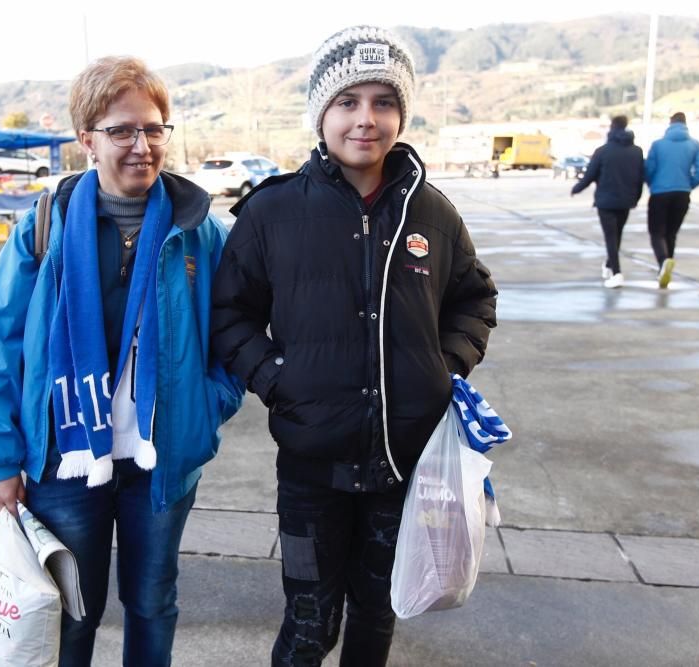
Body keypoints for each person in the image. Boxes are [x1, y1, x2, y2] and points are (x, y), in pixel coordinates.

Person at [211, 26, 497, 666]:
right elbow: (230, 314)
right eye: (348, 102)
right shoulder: (271, 213)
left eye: (383, 102)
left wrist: (440, 366)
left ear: (401, 114)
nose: (366, 119)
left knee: (377, 616)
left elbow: (475, 299)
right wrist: (277, 380)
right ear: (322, 113)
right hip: (312, 468)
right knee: (310, 624)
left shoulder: (433, 213)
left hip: (404, 465)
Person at [0, 56, 244, 666]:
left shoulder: (201, 232)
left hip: (161, 459)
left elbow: (237, 338)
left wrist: (201, 410)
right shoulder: (44, 227)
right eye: (122, 131)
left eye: (154, 128)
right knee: (70, 614)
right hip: (64, 461)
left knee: (152, 603)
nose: (142, 146)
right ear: (86, 139)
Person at [570, 115, 644, 288]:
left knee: (611, 237)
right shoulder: (637, 151)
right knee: (617, 235)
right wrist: (636, 198)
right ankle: (610, 264)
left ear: (611, 128)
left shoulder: (603, 151)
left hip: (606, 202)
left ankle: (617, 273)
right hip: (626, 201)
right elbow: (640, 178)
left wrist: (576, 189)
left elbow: (590, 175)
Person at [644, 111, 699, 288]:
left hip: (660, 193)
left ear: (670, 124)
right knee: (671, 233)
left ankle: (663, 262)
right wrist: (689, 184)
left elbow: (649, 169)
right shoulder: (694, 145)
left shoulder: (658, 145)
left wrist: (652, 184)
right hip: (682, 194)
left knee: (657, 232)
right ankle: (666, 268)